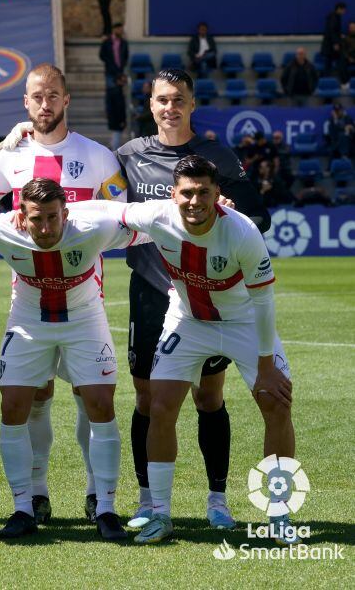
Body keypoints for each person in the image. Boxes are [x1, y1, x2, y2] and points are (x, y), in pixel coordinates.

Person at [115, 68, 270, 533]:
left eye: (178, 99)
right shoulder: (128, 155)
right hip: (150, 290)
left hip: (205, 295)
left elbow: (259, 215)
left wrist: (233, 215)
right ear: (151, 105)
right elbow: (96, 198)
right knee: (148, 397)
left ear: (192, 104)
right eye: (162, 99)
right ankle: (149, 499)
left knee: (208, 396)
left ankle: (217, 500)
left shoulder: (216, 156)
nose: (170, 107)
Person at [119, 155, 295, 544]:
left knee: (277, 403)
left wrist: (267, 366)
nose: (194, 201)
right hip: (188, 320)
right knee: (160, 405)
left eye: (203, 192)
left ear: (218, 194)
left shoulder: (242, 231)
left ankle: (279, 514)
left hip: (243, 322)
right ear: (173, 194)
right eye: (187, 193)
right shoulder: (156, 215)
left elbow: (264, 301)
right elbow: (106, 213)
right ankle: (160, 515)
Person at [0, 63, 129, 525]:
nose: (45, 104)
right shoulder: (9, 157)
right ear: (25, 102)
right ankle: (35, 495)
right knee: (36, 397)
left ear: (66, 99)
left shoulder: (98, 156)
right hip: (29, 300)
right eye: (37, 96)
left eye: (53, 95)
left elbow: (120, 217)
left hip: (84, 298)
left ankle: (96, 494)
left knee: (92, 399)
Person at [0, 179, 145, 540]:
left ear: (65, 214)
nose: (45, 228)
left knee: (100, 404)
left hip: (84, 320)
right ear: (22, 216)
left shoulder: (94, 227)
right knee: (13, 407)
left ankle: (106, 509)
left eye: (53, 217)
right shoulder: (1, 231)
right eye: (36, 219)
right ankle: (23, 508)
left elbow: (145, 223)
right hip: (28, 321)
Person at [320, 2, 346, 78]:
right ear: (339, 9)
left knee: (329, 63)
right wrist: (335, 43)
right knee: (330, 63)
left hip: (330, 45)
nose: (344, 12)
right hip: (331, 45)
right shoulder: (334, 17)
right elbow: (332, 30)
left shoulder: (334, 16)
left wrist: (339, 35)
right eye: (343, 10)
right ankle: (329, 79)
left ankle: (328, 78)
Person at [99, 22, 128, 89]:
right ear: (114, 29)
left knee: (119, 91)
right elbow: (102, 55)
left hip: (120, 70)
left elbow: (126, 55)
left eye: (121, 30)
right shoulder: (107, 42)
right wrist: (109, 62)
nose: (121, 31)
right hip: (110, 70)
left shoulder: (124, 43)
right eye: (119, 29)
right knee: (111, 89)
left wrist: (123, 64)